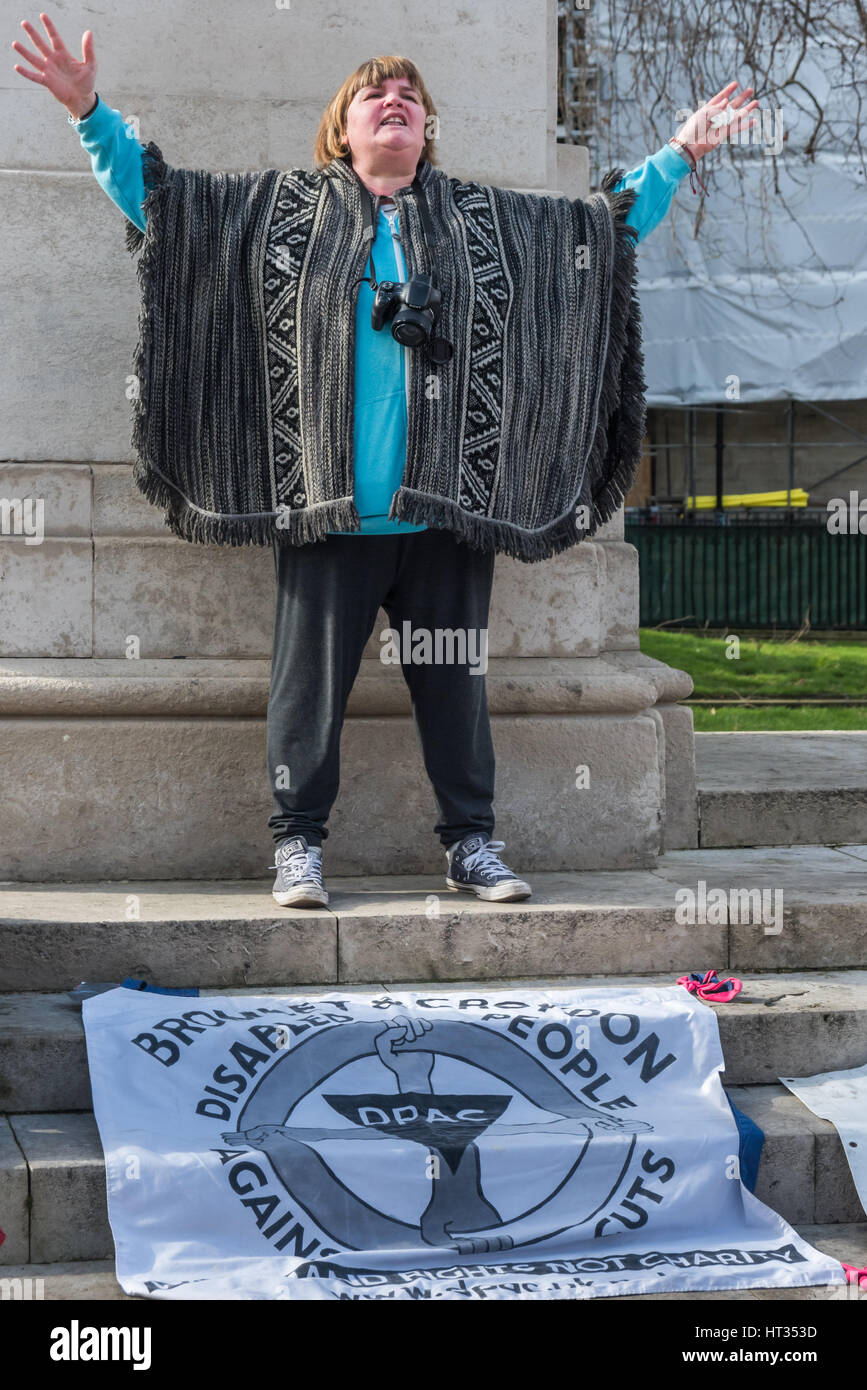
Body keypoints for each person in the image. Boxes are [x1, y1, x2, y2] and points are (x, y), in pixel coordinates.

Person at [12, 14, 758, 910]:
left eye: (410, 96)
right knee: (307, 691)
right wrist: (88, 110)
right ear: (344, 127)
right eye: (376, 94)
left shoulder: (485, 220)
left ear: (427, 127)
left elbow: (599, 230)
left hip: (446, 508)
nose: (395, 102)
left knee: (455, 690)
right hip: (330, 508)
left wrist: (678, 150)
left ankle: (471, 845)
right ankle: (297, 846)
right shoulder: (279, 213)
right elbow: (164, 203)